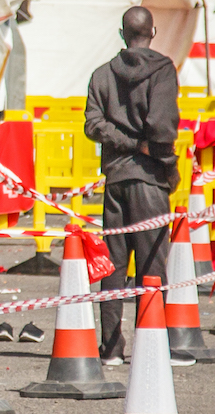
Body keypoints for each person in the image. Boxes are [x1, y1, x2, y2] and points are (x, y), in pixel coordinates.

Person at [84, 7, 189, 366]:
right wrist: (163, 162)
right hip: (149, 180)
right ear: (153, 31)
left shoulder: (101, 74)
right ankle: (152, 346)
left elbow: (92, 124)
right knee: (152, 266)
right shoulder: (162, 70)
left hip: (115, 179)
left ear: (121, 33)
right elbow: (162, 130)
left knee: (112, 266)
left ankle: (111, 348)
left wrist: (123, 143)